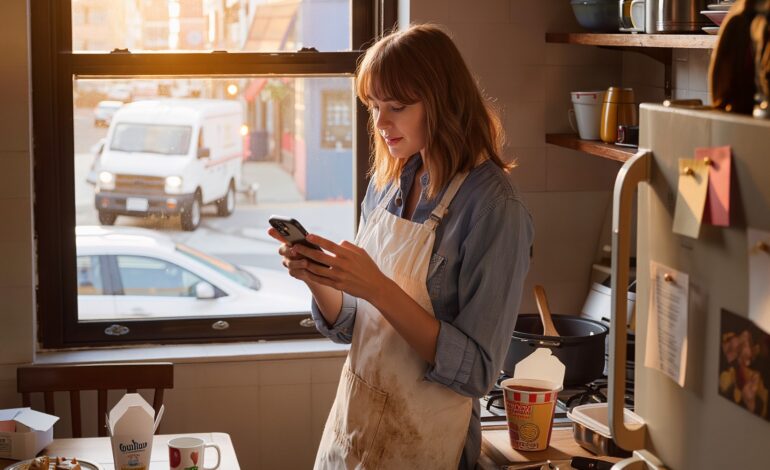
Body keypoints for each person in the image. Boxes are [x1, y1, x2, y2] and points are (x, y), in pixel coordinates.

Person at [268, 24, 534, 469]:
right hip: (353, 433)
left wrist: (376, 287)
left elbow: (477, 372)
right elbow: (360, 326)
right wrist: (320, 280)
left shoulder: (494, 209)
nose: (380, 123)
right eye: (373, 106)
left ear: (445, 102)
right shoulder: (389, 181)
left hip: (426, 445)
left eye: (398, 106)